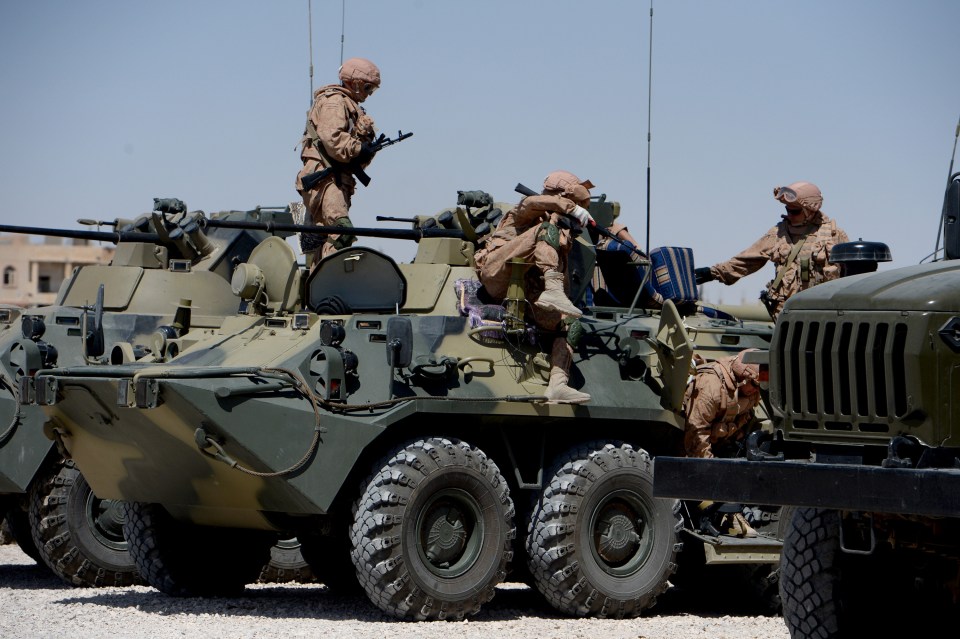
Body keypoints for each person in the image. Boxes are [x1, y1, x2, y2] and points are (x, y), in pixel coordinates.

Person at [474, 170, 595, 404]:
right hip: (496, 274)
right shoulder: (525, 215)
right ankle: (552, 290)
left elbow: (565, 278)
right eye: (575, 201)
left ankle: (557, 384)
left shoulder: (558, 231)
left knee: (570, 323)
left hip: (527, 294)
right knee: (544, 231)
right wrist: (569, 208)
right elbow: (530, 203)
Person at [694, 181, 849, 320]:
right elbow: (747, 260)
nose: (789, 214)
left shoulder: (834, 235)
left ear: (811, 209)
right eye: (787, 210)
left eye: (795, 211)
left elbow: (853, 276)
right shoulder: (778, 233)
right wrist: (712, 272)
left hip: (823, 313)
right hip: (787, 313)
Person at [296, 57, 381, 264]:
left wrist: (366, 149)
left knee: (329, 235)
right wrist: (357, 148)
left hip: (337, 179)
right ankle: (328, 284)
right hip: (324, 178)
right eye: (368, 88)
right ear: (356, 83)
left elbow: (353, 159)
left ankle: (319, 283)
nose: (369, 94)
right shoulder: (335, 102)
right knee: (341, 232)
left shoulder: (352, 107)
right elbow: (331, 139)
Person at [682, 348, 764, 537]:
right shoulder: (711, 387)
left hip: (721, 444)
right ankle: (723, 514)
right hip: (691, 450)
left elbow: (746, 414)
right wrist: (711, 474)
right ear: (743, 378)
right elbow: (696, 436)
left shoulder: (750, 388)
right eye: (754, 384)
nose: (756, 390)